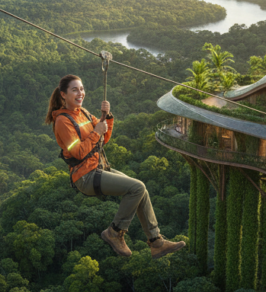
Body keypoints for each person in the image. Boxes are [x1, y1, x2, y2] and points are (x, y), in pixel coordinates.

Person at [46, 74, 185, 259]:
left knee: (141, 190)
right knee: (137, 188)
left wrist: (107, 118)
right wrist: (96, 132)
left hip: (98, 168)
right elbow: (78, 152)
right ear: (63, 95)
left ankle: (156, 242)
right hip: (85, 176)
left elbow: (103, 140)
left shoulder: (83, 113)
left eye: (82, 89)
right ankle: (115, 232)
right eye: (74, 90)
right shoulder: (63, 121)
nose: (80, 93)